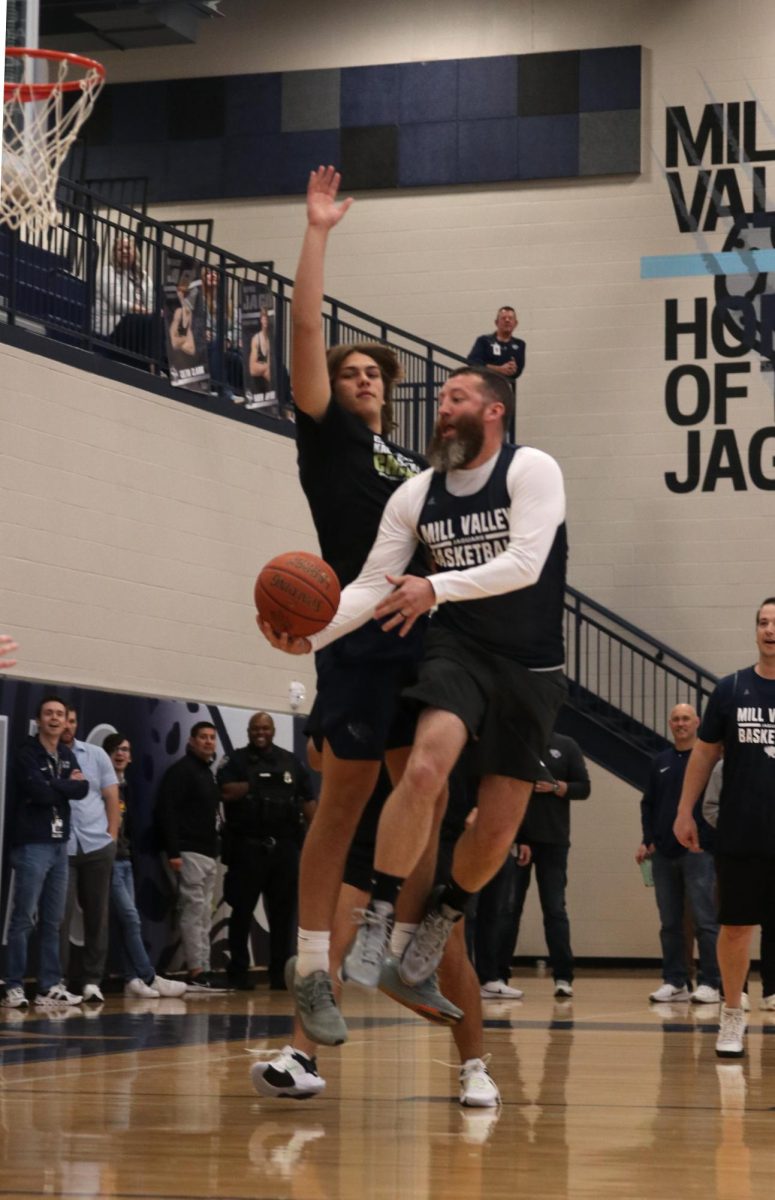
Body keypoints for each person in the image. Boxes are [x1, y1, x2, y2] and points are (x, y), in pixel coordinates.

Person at [263, 357, 568, 1010]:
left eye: (455, 397)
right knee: (423, 772)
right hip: (456, 650)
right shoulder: (415, 493)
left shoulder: (530, 470)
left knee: (495, 830)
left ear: (493, 412)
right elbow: (372, 586)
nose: (441, 406)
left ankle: (442, 915)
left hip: (530, 666)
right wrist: (308, 636)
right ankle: (378, 918)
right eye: (440, 398)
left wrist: (433, 585)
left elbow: (524, 563)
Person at [255, 165, 453, 1055]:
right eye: (353, 369)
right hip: (353, 636)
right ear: (331, 387)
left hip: (422, 637)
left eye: (375, 371)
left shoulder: (409, 470)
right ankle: (308, 963)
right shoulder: (326, 432)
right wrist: (318, 233)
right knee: (340, 805)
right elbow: (304, 328)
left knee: (427, 788)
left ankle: (393, 942)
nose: (365, 376)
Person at [251, 761, 499, 1108]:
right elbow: (316, 753)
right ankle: (302, 1058)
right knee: (334, 938)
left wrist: (484, 806)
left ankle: (474, 1067)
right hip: (371, 817)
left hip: (438, 820)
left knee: (450, 949)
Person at [674, 599, 775, 1057]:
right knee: (736, 928)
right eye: (763, 622)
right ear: (755, 630)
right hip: (743, 831)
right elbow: (702, 754)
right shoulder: (732, 689)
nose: (770, 630)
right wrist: (683, 811)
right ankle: (732, 1015)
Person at [476, 731, 590, 1000]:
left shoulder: (567, 745)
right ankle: (498, 975)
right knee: (508, 910)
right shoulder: (517, 742)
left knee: (554, 909)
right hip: (520, 841)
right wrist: (517, 837)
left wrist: (556, 787)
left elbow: (583, 788)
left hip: (554, 841)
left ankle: (563, 977)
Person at [217, 712, 316, 990]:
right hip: (247, 848)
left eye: (265, 728)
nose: (260, 732)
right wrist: (258, 783)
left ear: (272, 731)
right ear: (248, 732)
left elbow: (308, 801)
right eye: (255, 728)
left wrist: (317, 842)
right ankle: (238, 973)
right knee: (241, 912)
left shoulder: (290, 762)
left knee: (283, 916)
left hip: (284, 849)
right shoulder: (235, 760)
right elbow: (224, 790)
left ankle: (279, 975)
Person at [1, 696, 88, 1009]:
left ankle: (49, 985)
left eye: (60, 714)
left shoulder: (65, 753)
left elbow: (83, 789)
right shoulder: (27, 752)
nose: (54, 718)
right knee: (24, 918)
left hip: (58, 844)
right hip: (32, 844)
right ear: (39, 719)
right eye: (48, 713)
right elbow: (36, 791)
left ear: (66, 721)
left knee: (53, 920)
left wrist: (57, 784)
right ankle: (13, 985)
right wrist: (64, 784)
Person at [637, 703, 721, 1006]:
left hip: (699, 853)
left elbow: (715, 804)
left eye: (686, 718)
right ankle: (675, 981)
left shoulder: (709, 761)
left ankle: (712, 982)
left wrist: (709, 839)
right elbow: (648, 805)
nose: (681, 723)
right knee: (670, 923)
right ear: (670, 724)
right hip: (663, 855)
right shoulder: (660, 761)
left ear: (697, 722)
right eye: (676, 719)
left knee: (705, 921)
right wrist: (648, 840)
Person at [103, 733, 188, 1000]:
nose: (120, 754)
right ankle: (149, 975)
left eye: (125, 749)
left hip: (127, 859)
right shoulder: (102, 786)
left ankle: (133, 978)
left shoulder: (127, 787)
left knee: (127, 921)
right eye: (116, 749)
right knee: (130, 917)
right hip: (109, 860)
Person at [155, 721, 225, 992]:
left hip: (209, 852)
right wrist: (174, 851)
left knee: (206, 913)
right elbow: (167, 812)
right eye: (203, 738)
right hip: (189, 850)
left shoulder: (208, 774)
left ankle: (204, 967)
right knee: (193, 910)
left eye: (212, 738)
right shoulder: (181, 772)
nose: (208, 742)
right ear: (191, 741)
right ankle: (195, 969)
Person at [58, 705, 120, 1003]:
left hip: (97, 845)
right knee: (60, 915)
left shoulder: (96, 756)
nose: (66, 725)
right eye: (62, 720)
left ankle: (92, 980)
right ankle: (58, 980)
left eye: (71, 720)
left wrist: (112, 837)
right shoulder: (48, 756)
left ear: (76, 723)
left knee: (98, 915)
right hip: (63, 847)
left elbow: (111, 798)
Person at [94, 233, 156, 365]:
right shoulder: (108, 272)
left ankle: (159, 365)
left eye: (128, 248)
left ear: (135, 252)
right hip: (111, 324)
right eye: (120, 249)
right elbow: (116, 304)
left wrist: (151, 313)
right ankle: (151, 365)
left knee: (159, 323)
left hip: (135, 323)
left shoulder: (144, 277)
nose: (125, 252)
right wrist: (144, 311)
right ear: (114, 253)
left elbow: (150, 306)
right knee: (146, 320)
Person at [467, 306, 525, 393]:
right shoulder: (484, 340)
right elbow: (472, 362)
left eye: (510, 318)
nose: (507, 320)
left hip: (505, 390)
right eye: (503, 318)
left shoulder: (520, 344)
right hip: (484, 388)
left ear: (515, 323)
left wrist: (513, 369)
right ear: (496, 322)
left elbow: (518, 370)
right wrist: (498, 369)